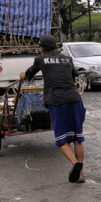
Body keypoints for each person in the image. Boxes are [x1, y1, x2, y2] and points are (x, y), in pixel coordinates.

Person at [20, 34, 86, 183]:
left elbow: (28, 75)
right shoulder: (67, 59)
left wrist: (22, 75)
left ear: (41, 48)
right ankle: (81, 175)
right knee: (78, 139)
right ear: (56, 47)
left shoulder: (40, 59)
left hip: (57, 102)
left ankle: (75, 163)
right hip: (75, 100)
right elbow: (74, 74)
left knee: (61, 140)